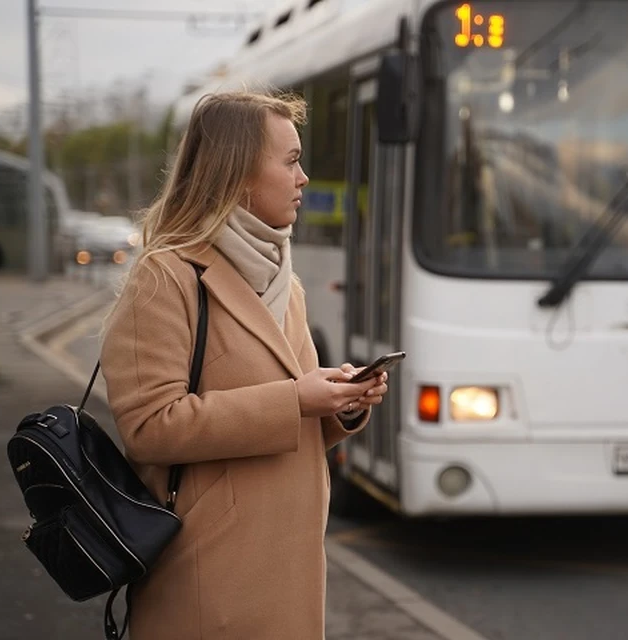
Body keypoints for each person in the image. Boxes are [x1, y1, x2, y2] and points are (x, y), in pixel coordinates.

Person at [99, 90, 389, 639]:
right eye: (291, 160)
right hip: (209, 572)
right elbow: (147, 428)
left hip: (288, 567)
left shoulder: (286, 282)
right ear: (238, 172)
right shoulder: (165, 276)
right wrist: (296, 399)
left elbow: (296, 422)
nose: (304, 177)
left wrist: (342, 403)